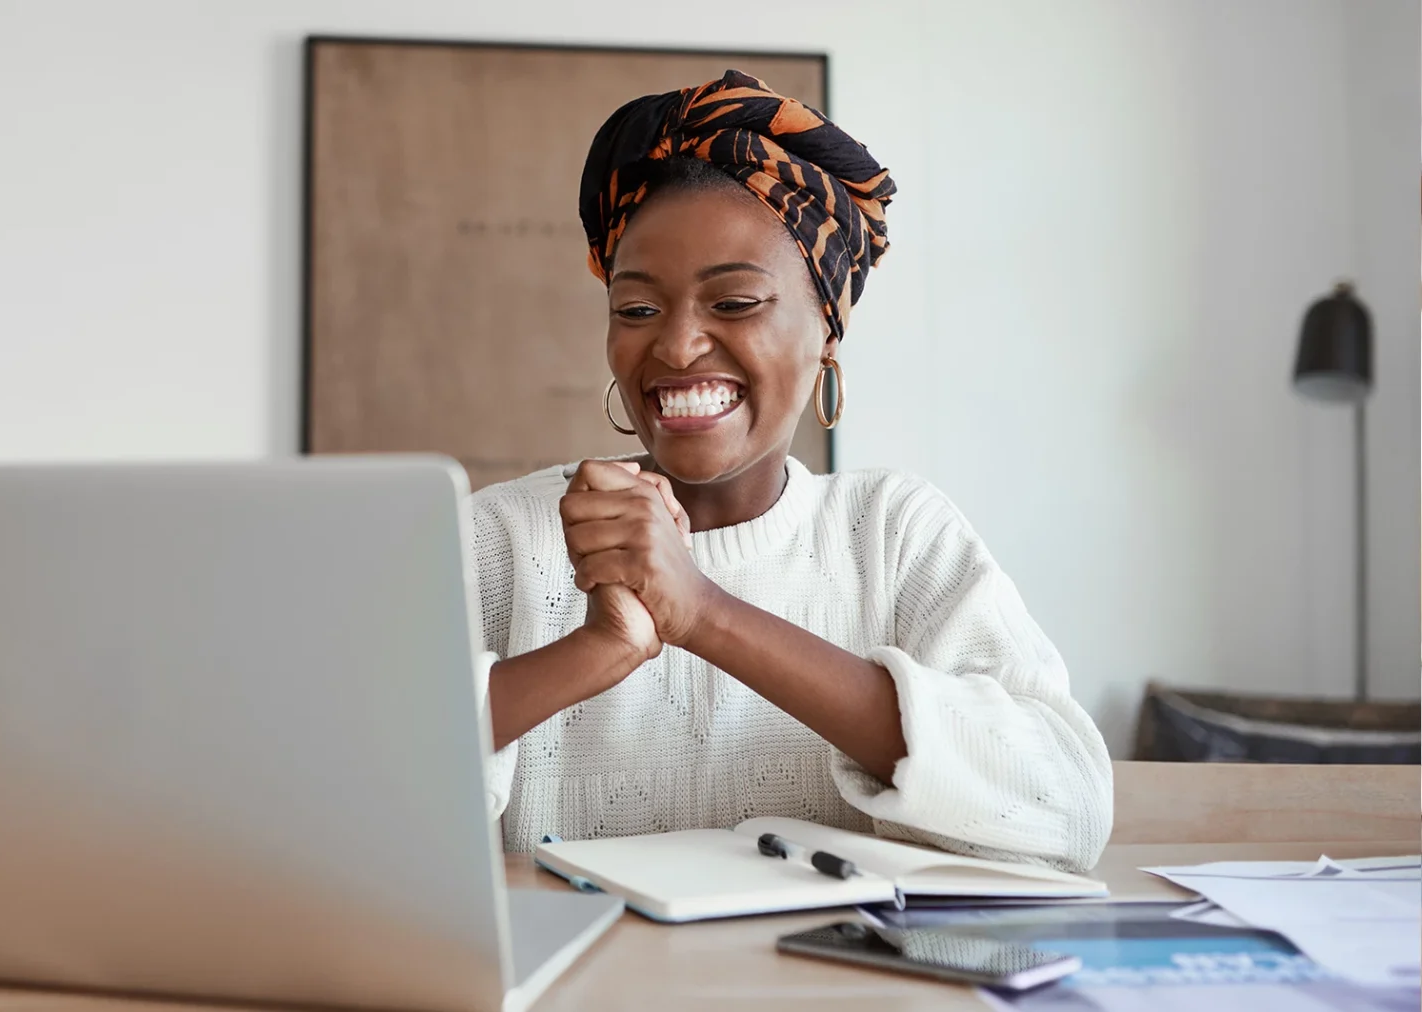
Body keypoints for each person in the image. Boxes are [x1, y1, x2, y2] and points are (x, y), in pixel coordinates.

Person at [472, 71, 1112, 872]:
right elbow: (347, 788)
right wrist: (597, 650)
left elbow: (1066, 810)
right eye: (637, 310)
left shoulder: (894, 534)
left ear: (827, 332)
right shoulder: (501, 538)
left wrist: (703, 612)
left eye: (735, 303)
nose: (676, 346)